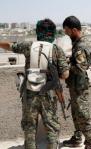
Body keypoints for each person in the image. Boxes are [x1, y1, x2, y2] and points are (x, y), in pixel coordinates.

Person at [0, 18, 69, 149]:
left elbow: (10, 46)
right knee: (52, 127)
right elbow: (65, 75)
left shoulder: (29, 46)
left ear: (38, 31)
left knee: (29, 127)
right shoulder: (56, 50)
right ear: (52, 33)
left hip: (29, 93)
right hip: (49, 94)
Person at [62, 16, 91, 149]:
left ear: (74, 30)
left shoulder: (80, 46)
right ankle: (77, 138)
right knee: (76, 114)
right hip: (76, 86)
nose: (66, 33)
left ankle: (90, 144)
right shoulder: (79, 43)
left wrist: (65, 66)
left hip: (80, 88)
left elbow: (81, 67)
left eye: (67, 31)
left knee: (82, 116)